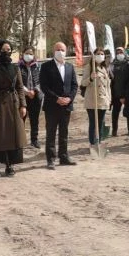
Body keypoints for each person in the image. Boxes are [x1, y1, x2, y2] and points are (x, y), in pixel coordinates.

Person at [0, 40, 27, 177]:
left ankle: (10, 164)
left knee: (12, 136)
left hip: (13, 104)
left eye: (9, 50)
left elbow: (20, 87)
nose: (6, 52)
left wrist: (23, 105)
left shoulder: (15, 67)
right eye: (3, 50)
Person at [40, 41, 79, 169]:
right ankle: (51, 159)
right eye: (58, 49)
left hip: (66, 106)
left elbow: (74, 85)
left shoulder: (70, 67)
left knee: (64, 132)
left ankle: (64, 157)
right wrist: (56, 98)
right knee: (51, 133)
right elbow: (44, 86)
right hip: (52, 106)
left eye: (62, 50)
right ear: (53, 51)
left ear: (66, 51)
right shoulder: (46, 66)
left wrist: (69, 99)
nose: (60, 52)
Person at [81, 48, 112, 147]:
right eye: (98, 54)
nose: (100, 56)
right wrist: (90, 78)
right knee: (93, 123)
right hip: (92, 100)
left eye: (102, 54)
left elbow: (108, 86)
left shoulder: (104, 68)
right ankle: (93, 143)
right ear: (94, 56)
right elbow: (83, 83)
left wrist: (109, 99)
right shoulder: (89, 67)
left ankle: (99, 142)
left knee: (100, 123)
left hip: (103, 100)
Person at [19, 47, 43, 148]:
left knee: (34, 119)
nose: (28, 55)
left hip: (36, 96)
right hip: (23, 97)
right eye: (26, 53)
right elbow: (18, 82)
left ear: (34, 55)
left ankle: (34, 140)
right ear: (23, 54)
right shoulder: (18, 67)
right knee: (21, 119)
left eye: (31, 53)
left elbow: (42, 80)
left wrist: (34, 90)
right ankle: (20, 140)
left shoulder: (38, 66)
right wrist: (27, 92)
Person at [109, 46, 128, 137]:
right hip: (116, 92)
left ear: (124, 53)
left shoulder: (128, 63)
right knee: (115, 112)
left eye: (121, 52)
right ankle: (114, 130)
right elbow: (111, 78)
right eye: (118, 52)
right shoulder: (113, 64)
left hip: (127, 92)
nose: (119, 54)